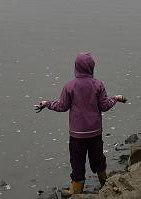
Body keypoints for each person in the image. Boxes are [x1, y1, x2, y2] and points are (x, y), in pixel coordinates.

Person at [35, 52, 127, 196]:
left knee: (77, 161)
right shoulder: (98, 84)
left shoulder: (69, 86)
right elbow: (104, 106)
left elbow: (62, 106)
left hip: (77, 135)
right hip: (95, 132)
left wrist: (46, 104)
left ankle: (76, 190)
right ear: (92, 67)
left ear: (76, 67)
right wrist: (116, 98)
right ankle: (105, 182)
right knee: (98, 158)